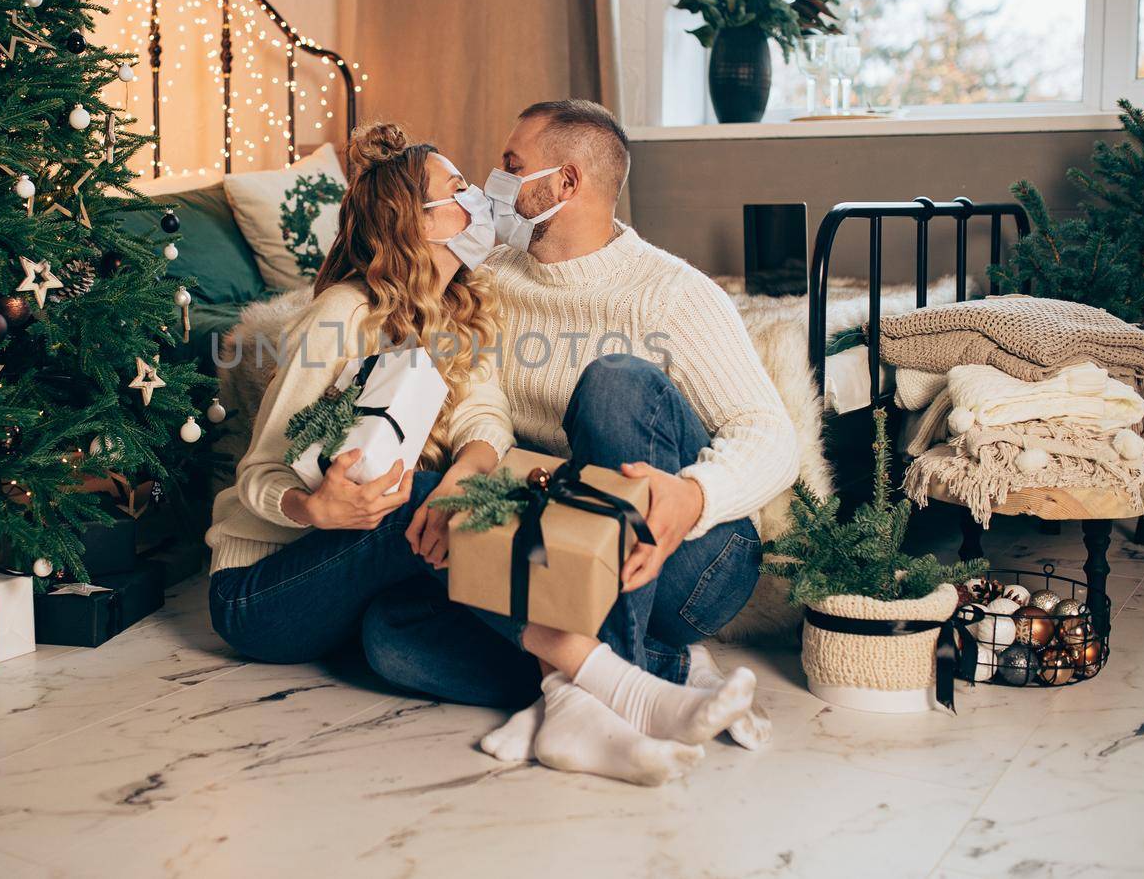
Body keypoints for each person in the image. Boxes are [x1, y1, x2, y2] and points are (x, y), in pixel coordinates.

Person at [360, 99, 800, 783]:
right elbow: (483, 402)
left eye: (511, 166)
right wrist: (469, 473)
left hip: (687, 557)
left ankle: (579, 699)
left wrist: (694, 492)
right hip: (556, 552)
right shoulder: (495, 278)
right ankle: (652, 678)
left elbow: (772, 434)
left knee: (616, 385)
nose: (492, 182)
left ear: (565, 183)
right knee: (390, 635)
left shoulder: (671, 293)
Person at [204, 122, 528, 690]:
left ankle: (574, 684)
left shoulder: (460, 311)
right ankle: (591, 658)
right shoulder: (344, 314)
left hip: (354, 579)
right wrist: (312, 509)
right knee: (420, 498)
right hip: (259, 591)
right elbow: (258, 473)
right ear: (415, 222)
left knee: (393, 643)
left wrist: (465, 472)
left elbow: (486, 413)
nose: (477, 199)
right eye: (458, 191)